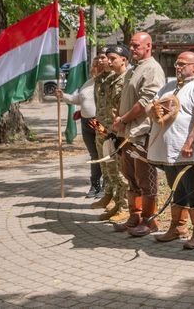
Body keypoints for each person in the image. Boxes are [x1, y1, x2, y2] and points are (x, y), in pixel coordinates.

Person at [146, 51, 194, 249]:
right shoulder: (169, 87)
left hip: (188, 149)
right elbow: (153, 106)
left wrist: (190, 143)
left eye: (183, 64)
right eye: (177, 64)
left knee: (193, 187)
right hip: (169, 150)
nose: (178, 67)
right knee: (175, 187)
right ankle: (178, 227)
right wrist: (153, 111)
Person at [111, 32, 166, 236]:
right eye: (131, 45)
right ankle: (134, 217)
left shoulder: (152, 69)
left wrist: (124, 118)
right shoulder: (134, 69)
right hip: (128, 135)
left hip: (143, 133)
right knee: (131, 177)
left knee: (146, 180)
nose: (132, 49)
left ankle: (149, 221)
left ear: (148, 46)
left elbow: (146, 103)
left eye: (136, 46)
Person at [57, 53, 107, 198]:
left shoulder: (105, 83)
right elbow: (78, 99)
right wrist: (63, 96)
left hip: (99, 122)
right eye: (94, 65)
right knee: (94, 154)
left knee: (103, 154)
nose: (95, 67)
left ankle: (106, 186)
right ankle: (95, 185)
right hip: (86, 122)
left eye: (98, 65)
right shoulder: (88, 83)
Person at [93, 45, 131, 220]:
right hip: (104, 131)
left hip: (119, 133)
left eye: (112, 58)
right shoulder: (107, 80)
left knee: (121, 171)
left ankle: (124, 207)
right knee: (110, 169)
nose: (107, 61)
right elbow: (103, 108)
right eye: (106, 58)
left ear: (123, 59)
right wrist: (100, 129)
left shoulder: (128, 80)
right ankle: (116, 203)